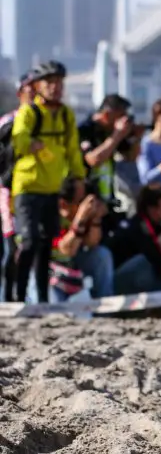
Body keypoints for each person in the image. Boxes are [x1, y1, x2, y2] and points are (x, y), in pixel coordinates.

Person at [11, 60, 86, 303]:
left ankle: (42, 298)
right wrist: (31, 144)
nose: (55, 88)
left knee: (46, 244)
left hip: (52, 188)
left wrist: (79, 178)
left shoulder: (65, 115)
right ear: (38, 86)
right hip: (28, 187)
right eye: (49, 83)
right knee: (30, 241)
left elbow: (73, 150)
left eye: (59, 83)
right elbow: (19, 137)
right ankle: (19, 295)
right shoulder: (30, 112)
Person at [48, 177, 114, 303]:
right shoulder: (53, 216)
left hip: (74, 264)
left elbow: (91, 243)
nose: (85, 205)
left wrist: (96, 218)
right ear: (63, 204)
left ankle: (105, 307)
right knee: (57, 310)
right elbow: (67, 250)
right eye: (80, 201)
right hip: (51, 268)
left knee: (102, 254)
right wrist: (80, 218)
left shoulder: (85, 214)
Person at [2, 71, 35, 302]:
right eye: (29, 89)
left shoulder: (48, 121)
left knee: (31, 246)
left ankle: (24, 296)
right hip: (9, 192)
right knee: (11, 248)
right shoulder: (7, 122)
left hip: (37, 191)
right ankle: (9, 298)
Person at [77, 93, 134, 205]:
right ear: (107, 115)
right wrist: (117, 135)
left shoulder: (110, 132)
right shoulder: (84, 130)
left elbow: (131, 156)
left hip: (107, 198)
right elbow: (93, 160)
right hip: (87, 199)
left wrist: (135, 137)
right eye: (120, 116)